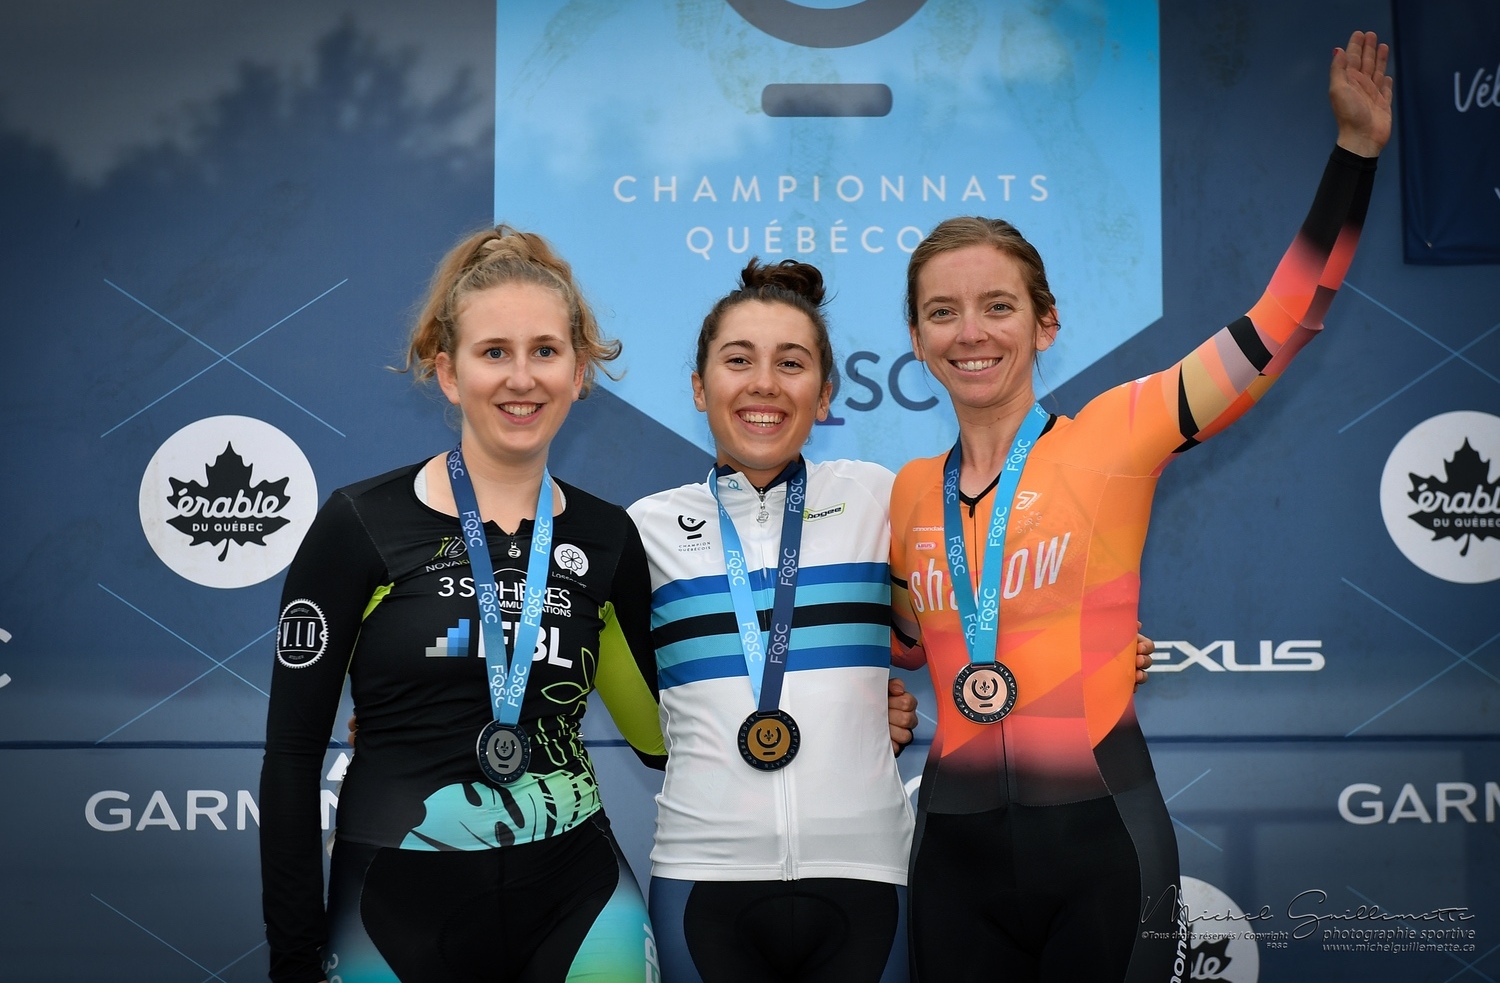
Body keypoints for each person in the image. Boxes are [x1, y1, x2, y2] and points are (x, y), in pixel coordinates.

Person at [889, 31, 1392, 981]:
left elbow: (1282, 325)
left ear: (1046, 323)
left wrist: (1355, 156)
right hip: (952, 858)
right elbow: (906, 640)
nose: (971, 332)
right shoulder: (909, 491)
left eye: (999, 305)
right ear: (915, 339)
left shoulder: (1116, 434)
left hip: (1103, 847)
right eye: (942, 312)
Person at [628, 260, 1160, 982]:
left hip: (869, 872)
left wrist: (1084, 644)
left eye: (792, 363)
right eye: (738, 360)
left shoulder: (883, 498)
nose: (764, 384)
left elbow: (963, 612)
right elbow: (635, 707)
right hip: (701, 873)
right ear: (699, 386)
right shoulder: (643, 529)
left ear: (825, 396)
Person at [259, 227, 668, 983]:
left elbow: (661, 738)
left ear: (579, 371)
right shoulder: (360, 524)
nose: (522, 378)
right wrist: (292, 958)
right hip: (395, 904)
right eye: (494, 352)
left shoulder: (609, 537)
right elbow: (290, 758)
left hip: (578, 895)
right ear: (449, 373)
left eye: (546, 351)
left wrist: (845, 700)